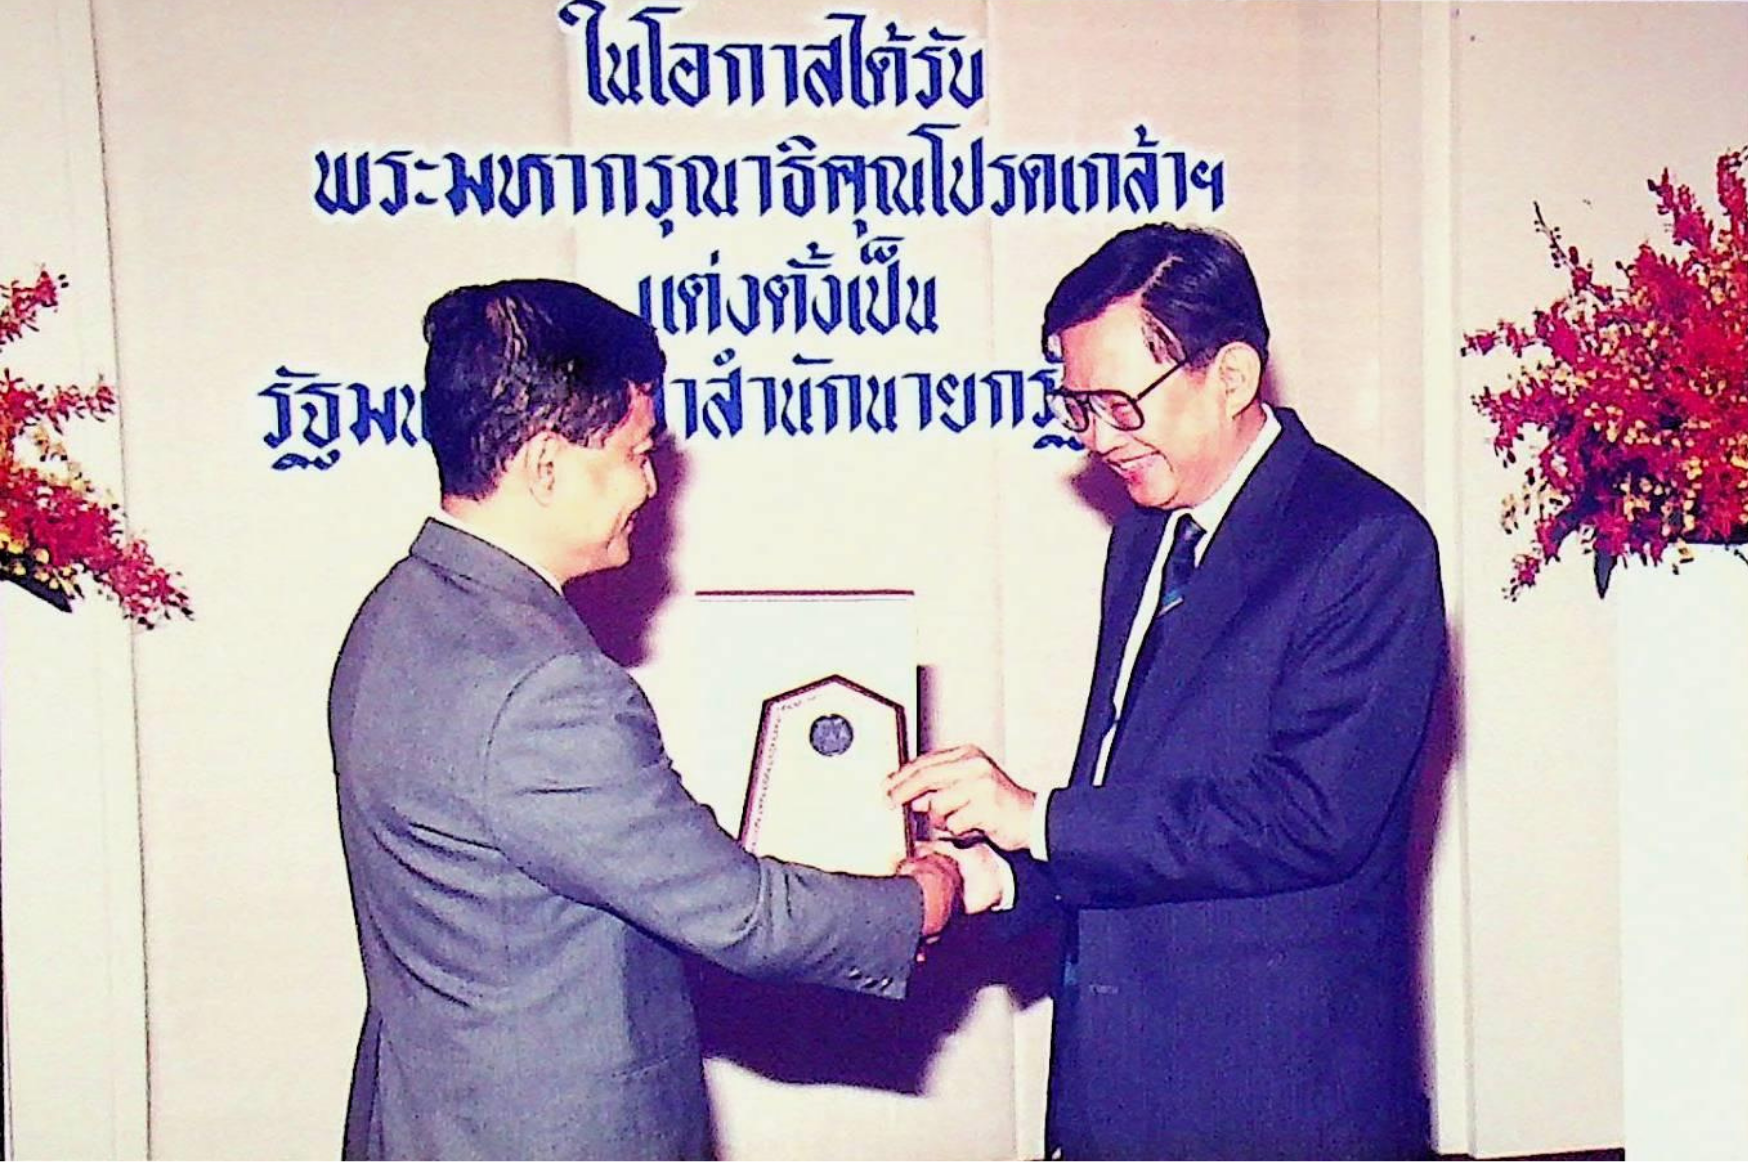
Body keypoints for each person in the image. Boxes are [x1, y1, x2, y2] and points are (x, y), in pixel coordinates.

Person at [329, 278, 962, 1160]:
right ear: (546, 467)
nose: (650, 483)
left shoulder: (396, 613)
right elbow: (744, 915)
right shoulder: (548, 686)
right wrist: (924, 897)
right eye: (634, 452)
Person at [888, 223, 1445, 1159]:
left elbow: (1309, 816)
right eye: (1078, 407)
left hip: (1274, 1102)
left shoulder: (1366, 543)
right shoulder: (1146, 536)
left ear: (1231, 375)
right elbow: (1138, 799)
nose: (1098, 439)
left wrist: (1038, 815)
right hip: (1116, 1089)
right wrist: (1001, 874)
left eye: (1119, 404)